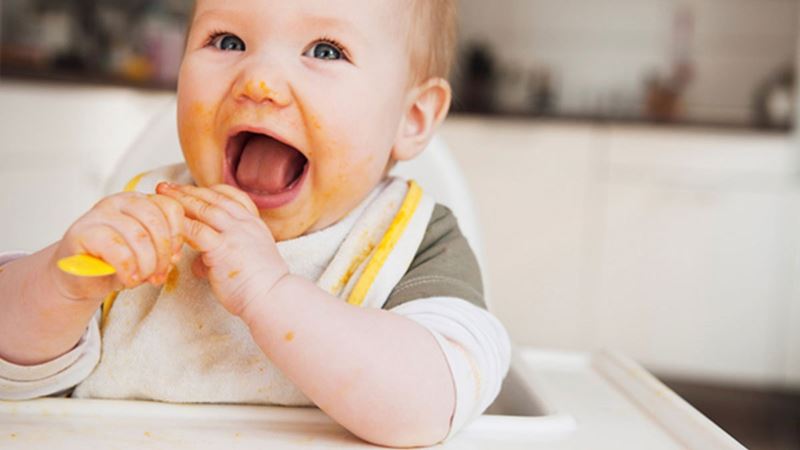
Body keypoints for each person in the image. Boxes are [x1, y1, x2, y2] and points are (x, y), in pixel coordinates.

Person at [0, 0, 511, 446]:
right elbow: (11, 368)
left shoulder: (412, 242)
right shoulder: (145, 219)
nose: (259, 81)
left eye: (325, 51)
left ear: (412, 117)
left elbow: (428, 407)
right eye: (227, 41)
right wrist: (59, 287)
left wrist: (270, 293)